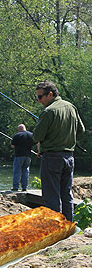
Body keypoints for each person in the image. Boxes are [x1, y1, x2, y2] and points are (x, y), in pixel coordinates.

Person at [33, 80, 85, 221]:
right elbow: (81, 130)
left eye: (40, 97)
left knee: (51, 196)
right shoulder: (71, 107)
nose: (39, 101)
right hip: (69, 158)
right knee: (66, 195)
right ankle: (68, 226)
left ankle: (54, 229)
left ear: (50, 94)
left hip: (52, 159)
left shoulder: (49, 111)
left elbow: (37, 136)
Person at [11, 124, 34, 191]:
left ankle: (16, 187)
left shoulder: (17, 135)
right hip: (28, 156)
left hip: (19, 155)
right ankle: (24, 187)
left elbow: (12, 146)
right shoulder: (31, 135)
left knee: (17, 171)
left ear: (19, 129)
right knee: (26, 171)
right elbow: (37, 143)